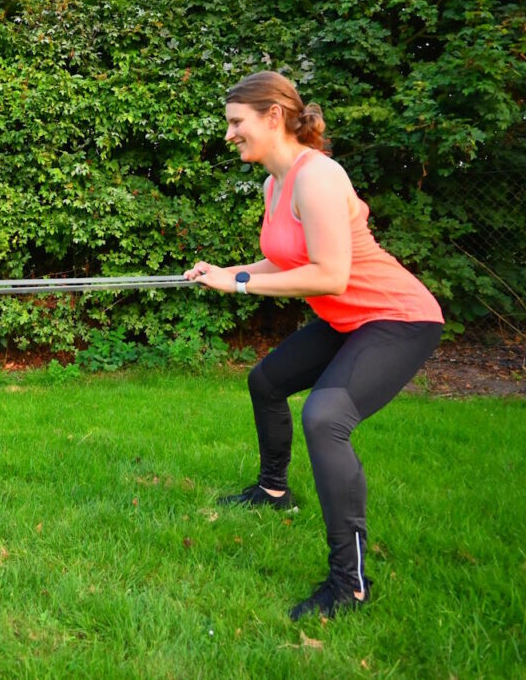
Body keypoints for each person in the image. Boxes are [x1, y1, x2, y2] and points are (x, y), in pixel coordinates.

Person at [185, 71, 444, 620]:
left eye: (237, 122)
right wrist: (226, 270)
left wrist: (239, 284)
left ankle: (349, 584)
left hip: (398, 317)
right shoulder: (273, 184)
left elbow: (329, 275)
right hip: (348, 320)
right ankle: (273, 491)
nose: (229, 134)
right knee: (268, 380)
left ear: (273, 117)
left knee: (326, 418)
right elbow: (285, 258)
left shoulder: (319, 176)